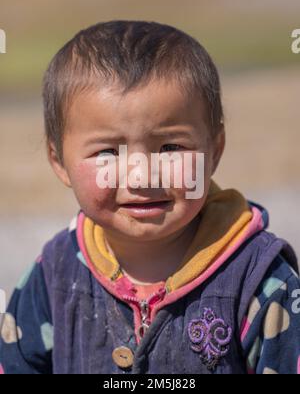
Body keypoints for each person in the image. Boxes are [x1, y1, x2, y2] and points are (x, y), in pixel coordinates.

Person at [1, 20, 299, 374]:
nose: (142, 176)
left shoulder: (260, 279)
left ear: (214, 150)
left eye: (170, 147)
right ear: (59, 161)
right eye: (108, 151)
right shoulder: (55, 275)